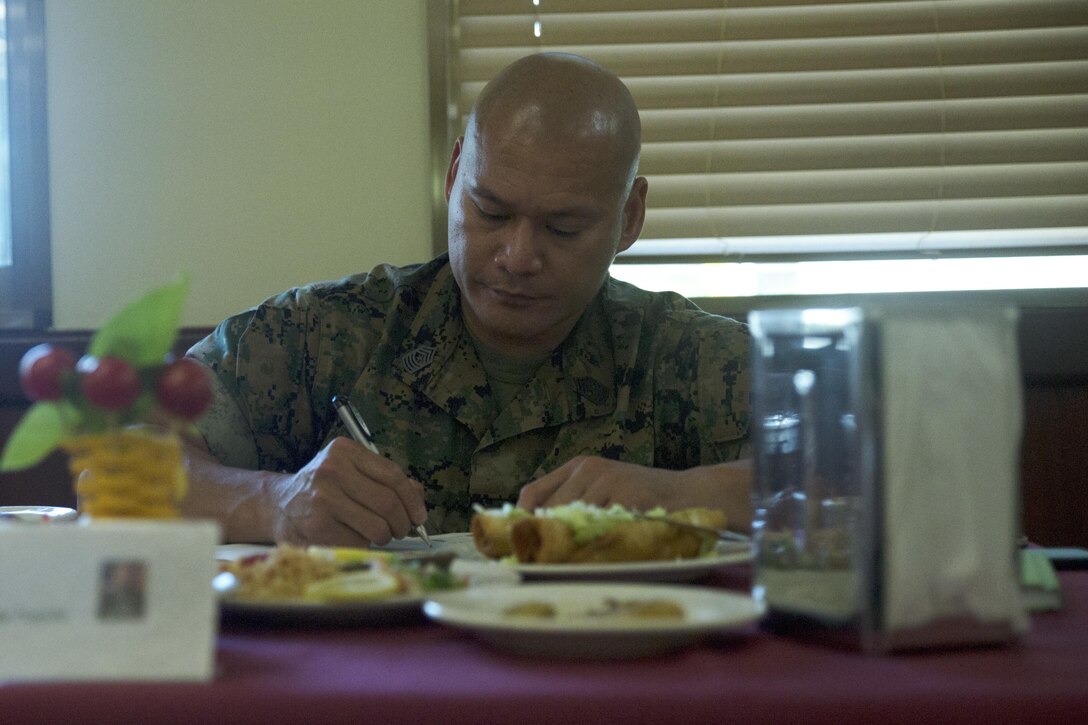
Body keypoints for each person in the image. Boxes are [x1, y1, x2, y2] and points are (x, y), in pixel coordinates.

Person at [182, 52, 751, 546]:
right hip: (375, 667)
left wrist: (684, 494)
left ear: (629, 218)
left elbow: (836, 474)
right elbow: (117, 452)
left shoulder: (690, 358)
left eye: (564, 228)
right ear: (454, 177)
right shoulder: (330, 332)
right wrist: (272, 501)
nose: (517, 256)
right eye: (492, 212)